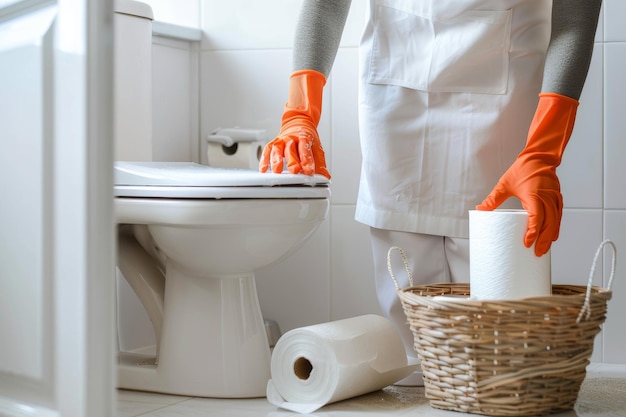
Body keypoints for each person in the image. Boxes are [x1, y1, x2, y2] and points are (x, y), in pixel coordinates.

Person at [259, 0, 602, 386]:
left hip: (505, 98)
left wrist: (543, 151)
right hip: (394, 97)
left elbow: (576, 18)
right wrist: (300, 114)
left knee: (500, 330)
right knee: (408, 309)